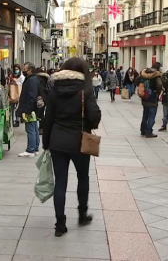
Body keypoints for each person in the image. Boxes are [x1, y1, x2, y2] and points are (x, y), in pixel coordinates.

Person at [42, 57, 101, 237]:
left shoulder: (54, 89)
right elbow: (94, 117)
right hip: (79, 141)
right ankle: (82, 214)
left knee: (60, 182)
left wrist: (46, 143)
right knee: (83, 177)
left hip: (57, 141)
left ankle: (60, 223)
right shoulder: (85, 90)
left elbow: (48, 118)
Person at [16, 62, 40, 157]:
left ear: (30, 70)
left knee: (30, 129)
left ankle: (30, 150)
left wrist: (28, 110)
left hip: (29, 109)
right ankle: (35, 148)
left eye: (25, 69)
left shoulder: (31, 80)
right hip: (32, 108)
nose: (23, 70)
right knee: (34, 129)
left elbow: (31, 96)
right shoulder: (33, 79)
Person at [135, 62, 163, 138]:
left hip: (144, 97)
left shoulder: (144, 73)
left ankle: (143, 130)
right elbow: (159, 85)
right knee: (151, 116)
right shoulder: (156, 75)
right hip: (153, 98)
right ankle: (149, 132)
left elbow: (136, 80)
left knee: (145, 115)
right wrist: (157, 92)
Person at [36, 68, 51, 135]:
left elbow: (40, 89)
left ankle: (41, 127)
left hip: (41, 97)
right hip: (46, 97)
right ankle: (42, 127)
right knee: (42, 112)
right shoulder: (45, 78)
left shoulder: (39, 79)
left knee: (40, 113)